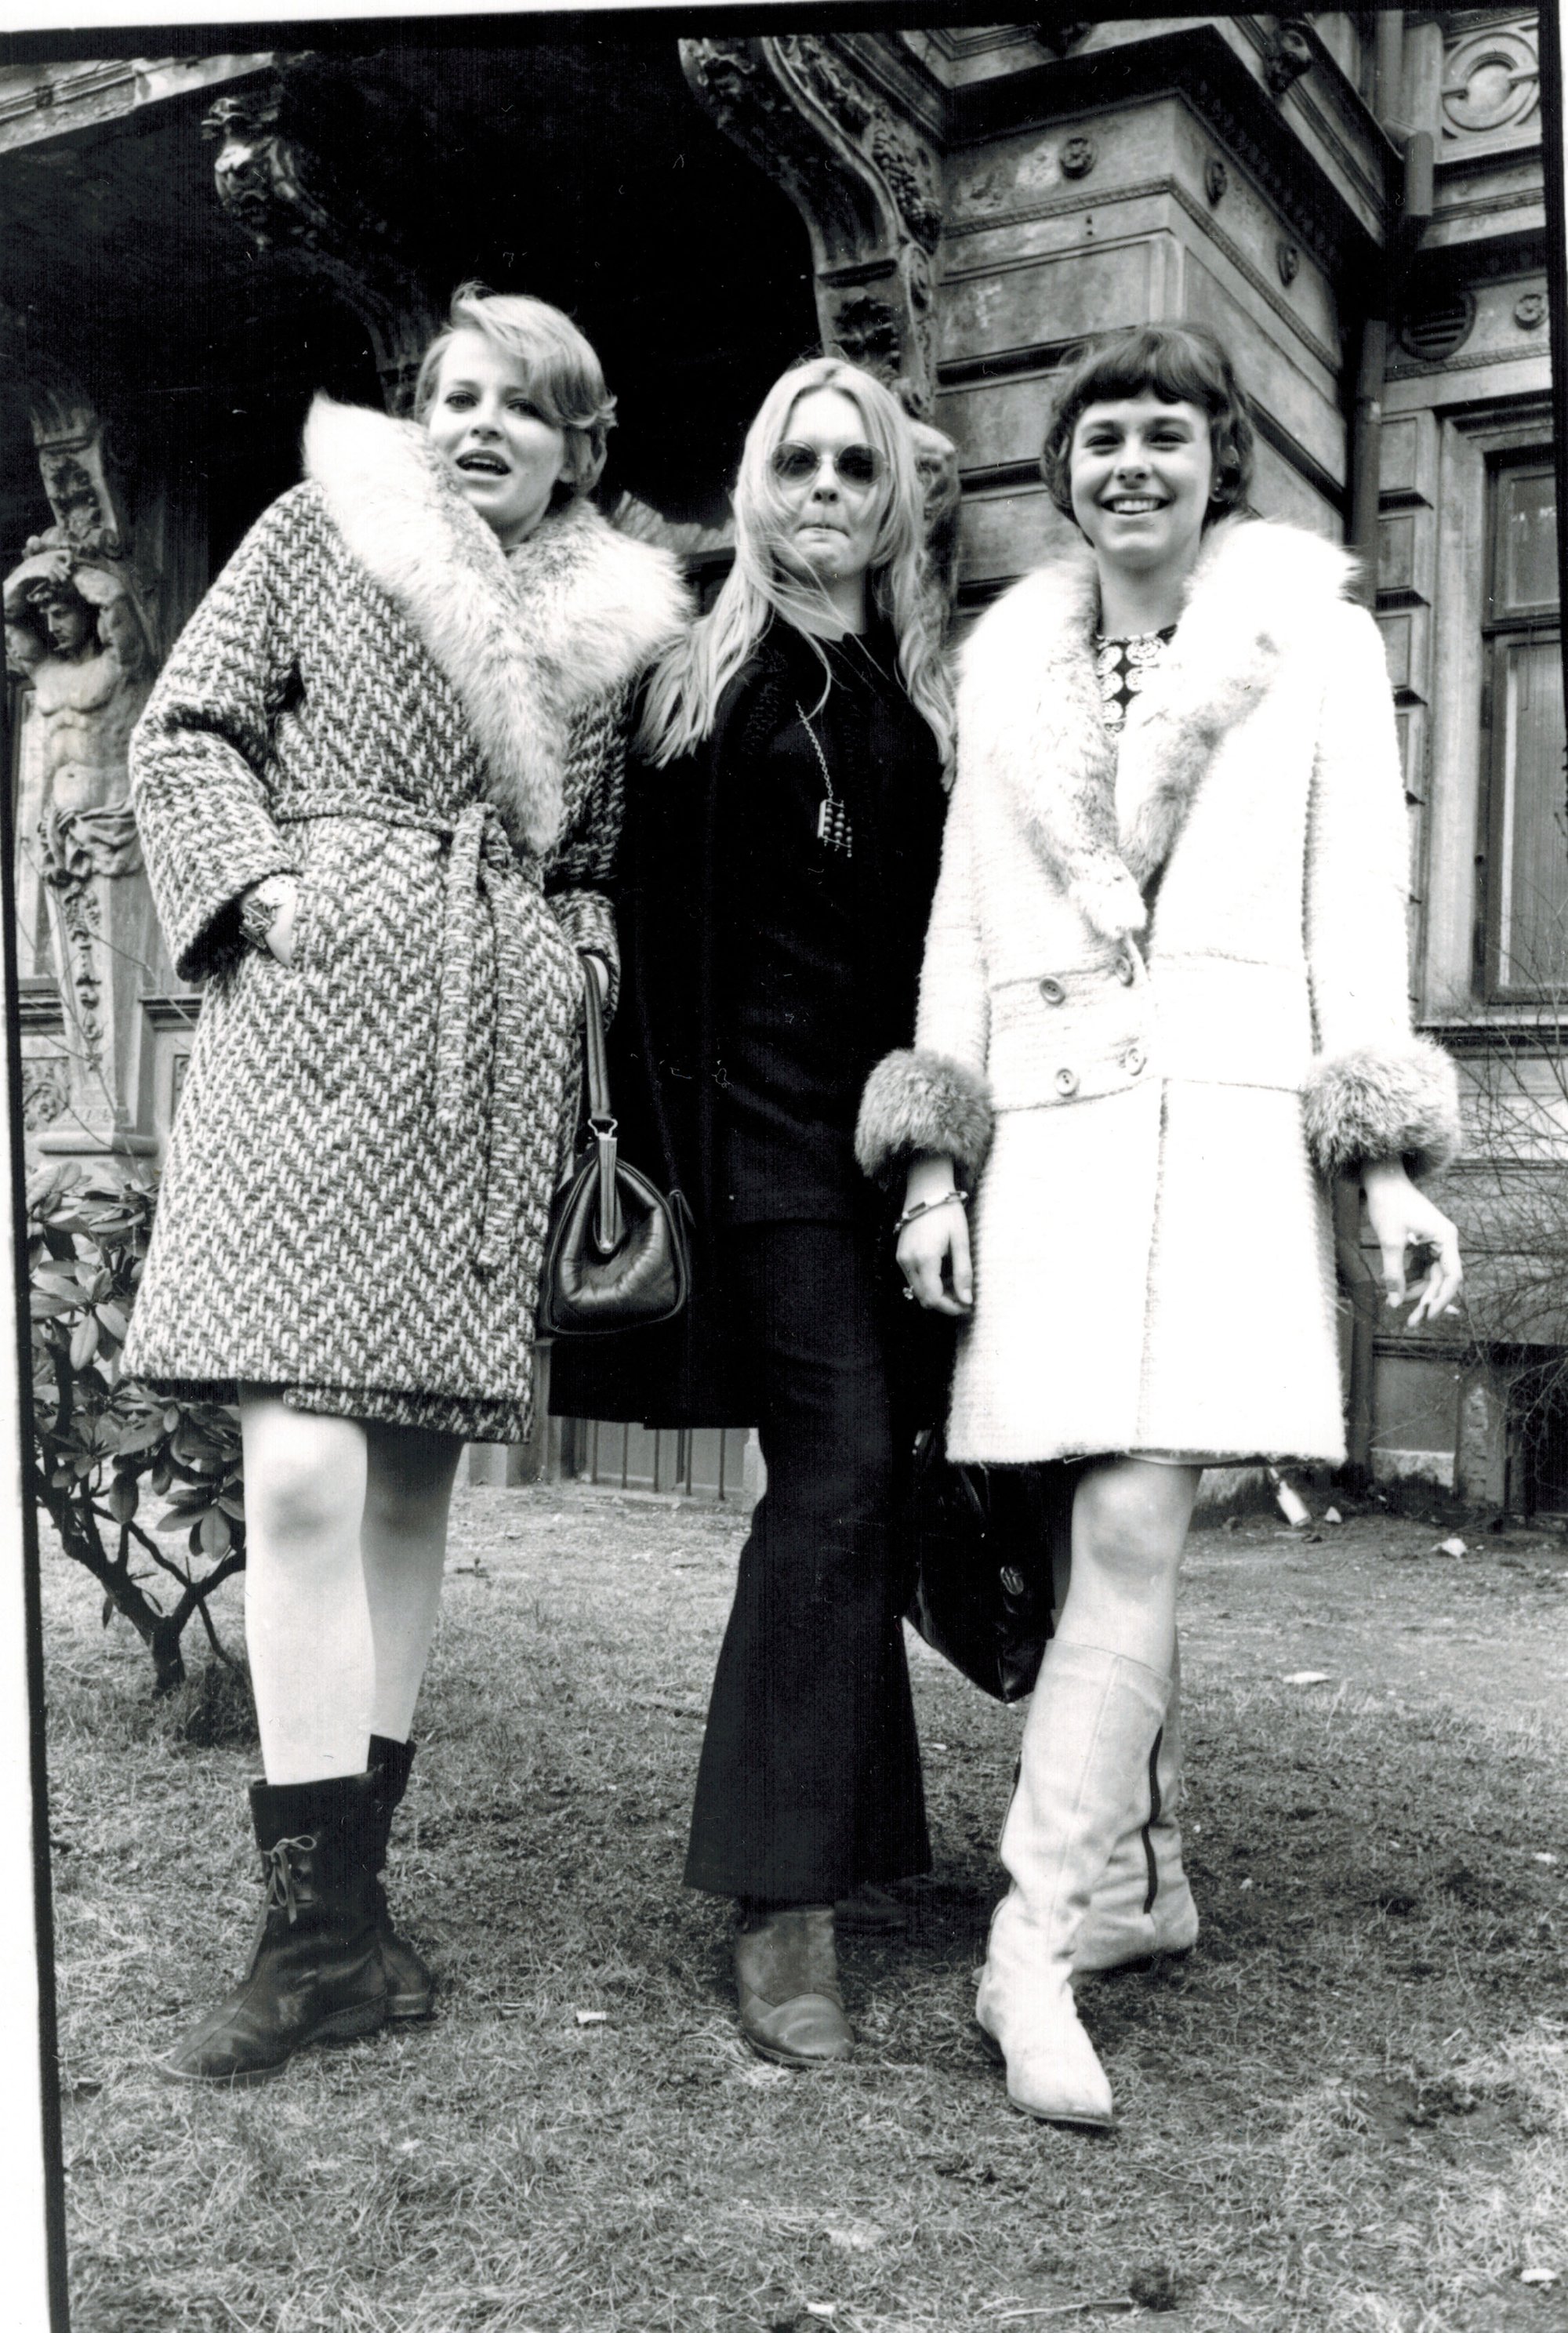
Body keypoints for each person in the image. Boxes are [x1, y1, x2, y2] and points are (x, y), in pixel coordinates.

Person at [857, 324, 1464, 2128]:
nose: (1132, 463)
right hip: (1047, 1143)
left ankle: (1029, 1949)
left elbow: (1355, 906)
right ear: (1062, 476)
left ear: (1218, 465)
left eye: (1165, 436)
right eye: (1101, 437)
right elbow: (963, 927)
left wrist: (1379, 1159)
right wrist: (937, 1167)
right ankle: (1140, 1879)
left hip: (1222, 1134)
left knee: (1132, 1523)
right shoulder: (1007, 666)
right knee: (1074, 1536)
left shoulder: (1316, 643)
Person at [124, 284, 688, 2086]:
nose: (478, 428)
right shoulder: (320, 527)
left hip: (484, 1048)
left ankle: (351, 1929)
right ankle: (310, 1937)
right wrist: (256, 886)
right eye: (453, 397)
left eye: (522, 405)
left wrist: (576, 946)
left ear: (579, 444)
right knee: (298, 1473)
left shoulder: (610, 618)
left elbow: (589, 853)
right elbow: (184, 730)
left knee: (407, 1487)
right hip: (305, 1015)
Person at [553, 357, 953, 2066]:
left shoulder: (919, 699)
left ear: (895, 495)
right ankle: (780, 1904)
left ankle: (850, 1837)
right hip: (754, 1152)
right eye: (797, 460)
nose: (826, 487)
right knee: (843, 1473)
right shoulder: (691, 681)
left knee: (867, 1482)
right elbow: (619, 908)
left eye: (857, 463)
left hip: (892, 1158)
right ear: (755, 481)